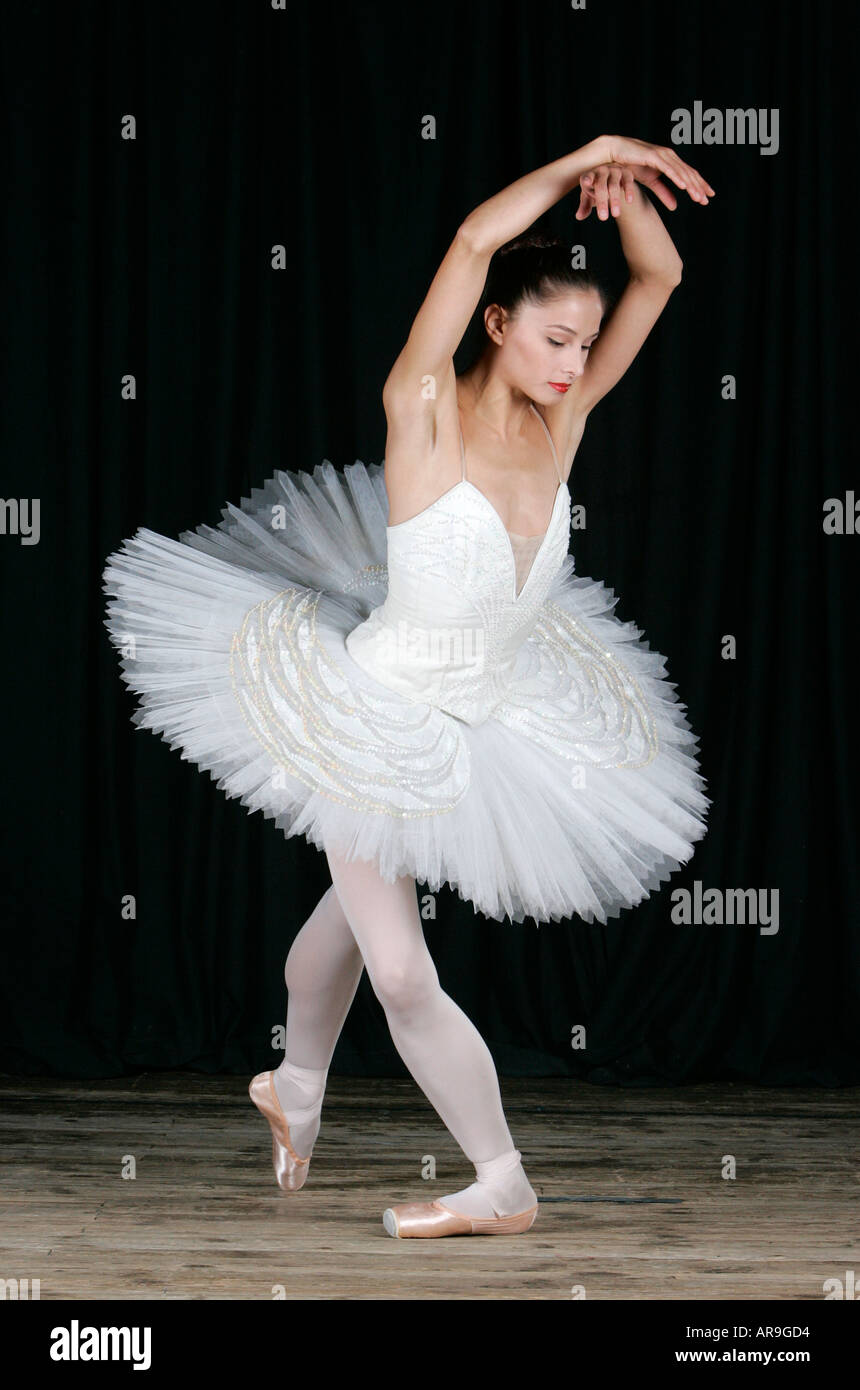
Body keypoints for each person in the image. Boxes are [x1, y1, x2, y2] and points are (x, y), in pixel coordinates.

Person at [103, 133, 714, 1239]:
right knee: (397, 966)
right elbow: (477, 237)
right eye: (552, 337)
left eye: (584, 340)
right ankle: (500, 1180)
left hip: (482, 719)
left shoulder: (559, 424)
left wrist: (625, 197)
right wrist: (587, 152)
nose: (575, 360)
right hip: (374, 716)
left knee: (349, 906)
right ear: (495, 322)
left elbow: (660, 275)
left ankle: (293, 1085)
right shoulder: (420, 407)